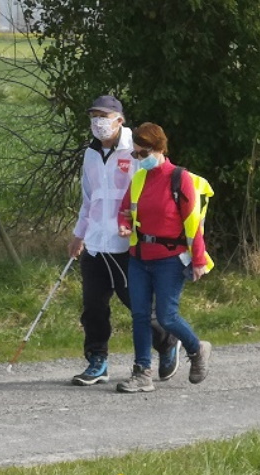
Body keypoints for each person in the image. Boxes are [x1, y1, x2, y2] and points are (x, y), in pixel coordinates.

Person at [68, 96, 180, 386]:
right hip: (95, 243)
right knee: (93, 306)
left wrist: (135, 226)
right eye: (93, 116)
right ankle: (97, 360)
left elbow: (153, 191)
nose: (98, 122)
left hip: (126, 245)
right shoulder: (90, 153)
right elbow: (88, 198)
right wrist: (79, 234)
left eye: (104, 116)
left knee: (137, 305)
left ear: (120, 119)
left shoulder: (137, 149)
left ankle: (167, 343)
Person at [116, 122, 213, 393]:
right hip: (139, 257)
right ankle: (142, 372)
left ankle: (196, 348)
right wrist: (123, 224)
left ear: (159, 149)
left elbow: (192, 223)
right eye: (135, 154)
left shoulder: (178, 178)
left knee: (167, 317)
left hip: (170, 259)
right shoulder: (138, 179)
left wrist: (198, 260)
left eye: (143, 153)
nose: (138, 159)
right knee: (140, 316)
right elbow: (125, 210)